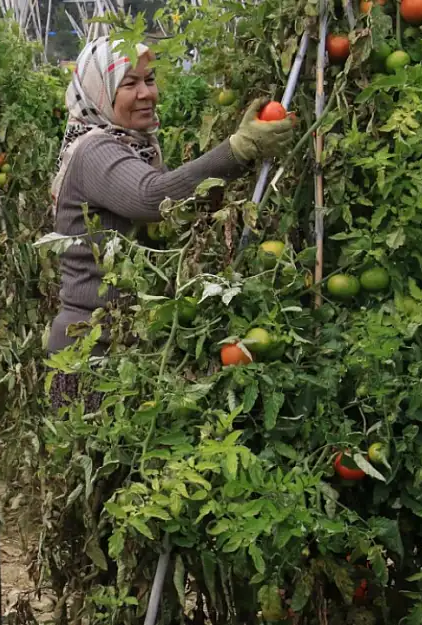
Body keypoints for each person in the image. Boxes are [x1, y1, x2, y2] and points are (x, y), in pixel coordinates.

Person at [46, 37, 294, 411]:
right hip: (91, 351)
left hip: (125, 347)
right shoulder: (94, 150)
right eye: (130, 84)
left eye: (150, 79)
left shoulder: (135, 147)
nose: (147, 93)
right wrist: (239, 149)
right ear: (100, 92)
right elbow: (151, 197)